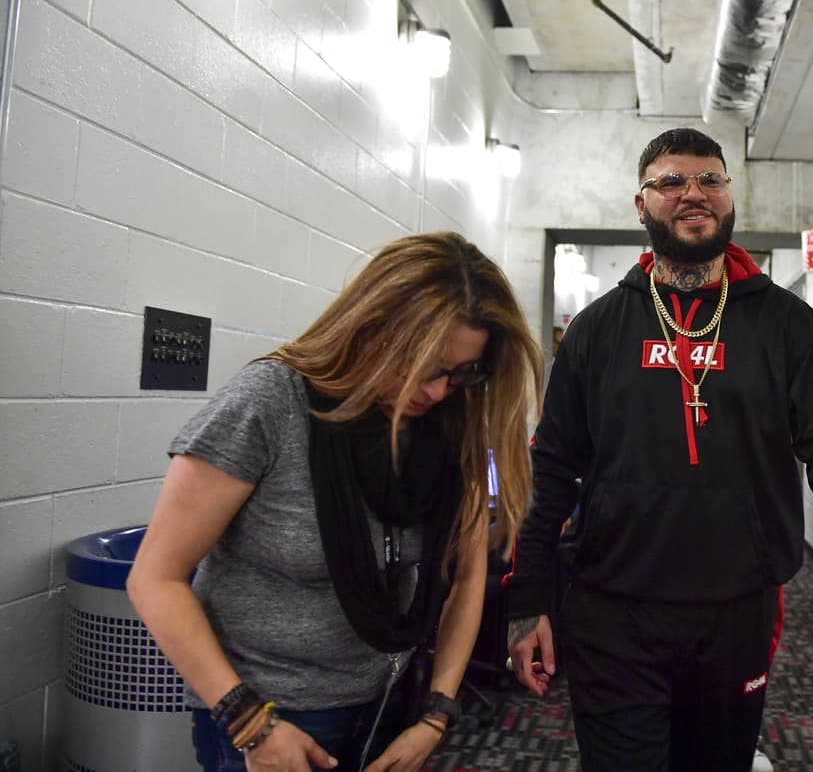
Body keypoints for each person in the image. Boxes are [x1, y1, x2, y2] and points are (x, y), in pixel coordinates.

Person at [504, 128, 813, 771]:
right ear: (641, 204)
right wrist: (525, 600)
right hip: (612, 609)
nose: (693, 193)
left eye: (710, 179)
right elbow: (551, 469)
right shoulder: (597, 329)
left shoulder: (788, 325)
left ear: (729, 197)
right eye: (671, 181)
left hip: (735, 612)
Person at [127, 232, 541, 772]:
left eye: (461, 374)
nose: (439, 391)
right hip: (270, 715)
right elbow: (155, 579)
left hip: (387, 702)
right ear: (373, 329)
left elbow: (466, 578)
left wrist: (436, 716)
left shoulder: (444, 422)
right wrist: (251, 724)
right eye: (426, 367)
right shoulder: (271, 401)